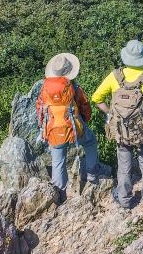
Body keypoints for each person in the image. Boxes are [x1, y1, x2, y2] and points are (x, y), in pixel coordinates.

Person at [92, 40, 143, 219]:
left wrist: (110, 114)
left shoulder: (114, 76)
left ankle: (125, 200)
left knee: (124, 167)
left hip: (122, 131)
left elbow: (97, 98)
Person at [37, 52, 101, 198]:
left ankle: (60, 195)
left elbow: (40, 110)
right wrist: (82, 123)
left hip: (53, 130)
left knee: (58, 162)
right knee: (90, 141)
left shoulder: (45, 90)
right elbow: (86, 109)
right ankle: (91, 173)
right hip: (74, 128)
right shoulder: (76, 89)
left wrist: (42, 128)